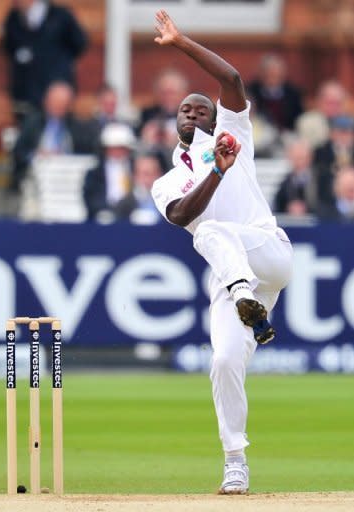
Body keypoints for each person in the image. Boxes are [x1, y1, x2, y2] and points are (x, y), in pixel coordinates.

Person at [151, 10, 293, 495]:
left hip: (268, 253)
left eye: (201, 109)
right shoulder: (168, 179)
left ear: (215, 118)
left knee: (210, 235)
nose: (192, 113)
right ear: (176, 121)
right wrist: (217, 172)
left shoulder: (236, 139)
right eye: (185, 110)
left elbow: (231, 78)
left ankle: (242, 298)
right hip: (234, 281)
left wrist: (180, 42)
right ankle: (235, 462)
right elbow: (178, 214)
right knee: (224, 361)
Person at [2, 0, 88, 123]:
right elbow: (9, 49)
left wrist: (60, 71)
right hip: (27, 99)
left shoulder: (60, 16)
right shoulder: (13, 19)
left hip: (55, 95)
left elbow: (80, 44)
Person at [10, 81, 95, 191]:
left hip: (68, 180)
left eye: (62, 105)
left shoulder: (77, 127)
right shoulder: (33, 123)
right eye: (55, 103)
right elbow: (19, 152)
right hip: (35, 178)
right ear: (47, 102)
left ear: (69, 106)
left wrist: (63, 156)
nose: (58, 108)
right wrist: (35, 155)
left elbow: (87, 153)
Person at [83, 123, 136, 222]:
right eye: (113, 148)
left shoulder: (137, 168)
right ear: (105, 149)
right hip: (104, 214)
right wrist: (102, 209)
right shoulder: (95, 173)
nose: (117, 152)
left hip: (132, 213)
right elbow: (90, 198)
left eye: (121, 148)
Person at [247, 54, 303, 132]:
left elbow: (298, 117)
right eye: (269, 73)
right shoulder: (251, 91)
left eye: (275, 73)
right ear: (262, 73)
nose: (272, 76)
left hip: (288, 134)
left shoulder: (293, 93)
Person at [295, 80, 348, 150]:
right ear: (319, 102)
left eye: (338, 103)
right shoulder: (306, 122)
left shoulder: (349, 122)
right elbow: (308, 148)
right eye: (330, 103)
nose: (334, 107)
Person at [115, 152, 164, 224]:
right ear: (135, 176)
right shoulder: (123, 204)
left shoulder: (171, 201)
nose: (150, 179)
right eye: (145, 174)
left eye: (154, 173)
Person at [273, 138, 315, 216]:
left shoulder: (320, 181)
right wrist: (288, 209)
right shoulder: (284, 184)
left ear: (310, 158)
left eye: (302, 158)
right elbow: (277, 208)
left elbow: (327, 207)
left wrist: (307, 209)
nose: (299, 162)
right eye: (296, 158)